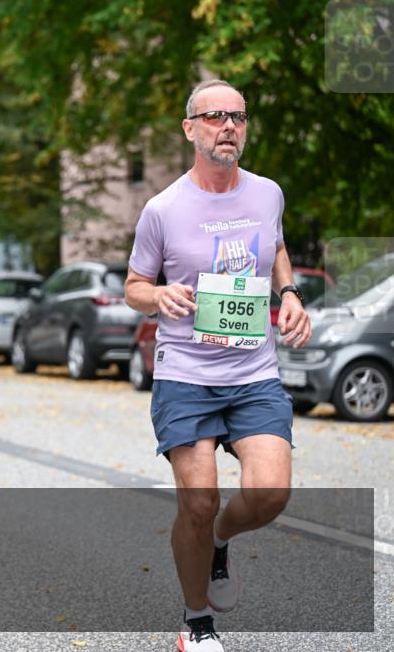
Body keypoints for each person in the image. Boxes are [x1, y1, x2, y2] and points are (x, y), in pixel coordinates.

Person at [125, 79, 312, 652]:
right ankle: (196, 624)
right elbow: (134, 285)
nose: (227, 126)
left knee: (270, 493)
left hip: (253, 373)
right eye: (213, 117)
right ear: (190, 129)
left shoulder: (267, 194)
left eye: (237, 117)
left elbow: (275, 245)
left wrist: (290, 294)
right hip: (186, 375)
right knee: (198, 500)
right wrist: (158, 298)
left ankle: (221, 542)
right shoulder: (163, 209)